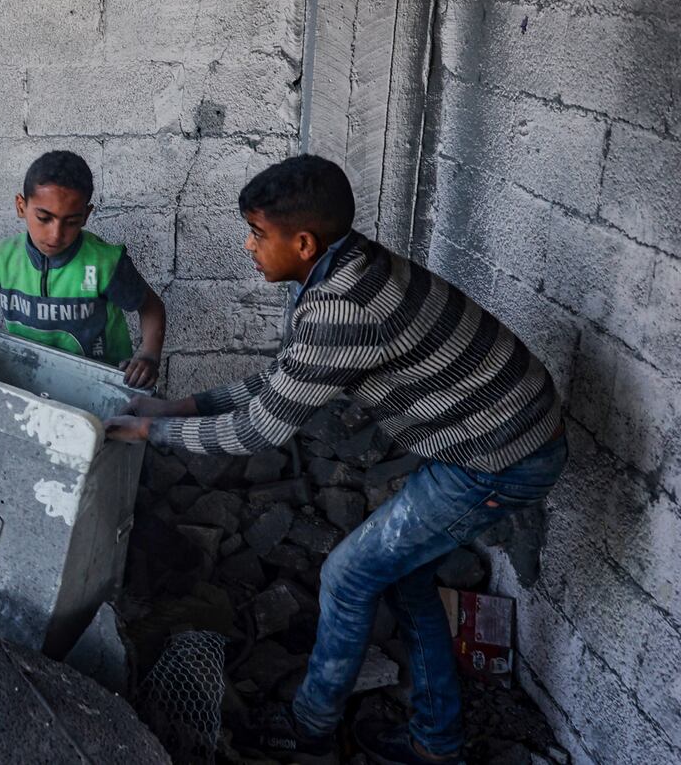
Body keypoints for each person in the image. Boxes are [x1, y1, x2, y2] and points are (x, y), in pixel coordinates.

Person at [105, 155, 565, 765]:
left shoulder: (342, 307)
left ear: (302, 241)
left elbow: (259, 429)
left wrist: (150, 433)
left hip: (499, 457)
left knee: (348, 576)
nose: (249, 247)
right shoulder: (343, 267)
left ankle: (309, 728)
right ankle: (437, 741)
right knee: (399, 575)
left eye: (259, 235)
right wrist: (179, 405)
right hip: (492, 433)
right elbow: (280, 381)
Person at [0, 150, 167, 388]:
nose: (56, 234)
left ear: (85, 216)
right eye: (44, 218)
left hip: (99, 383)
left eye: (71, 222)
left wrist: (148, 355)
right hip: (33, 379)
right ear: (21, 206)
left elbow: (151, 307)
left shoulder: (104, 262)